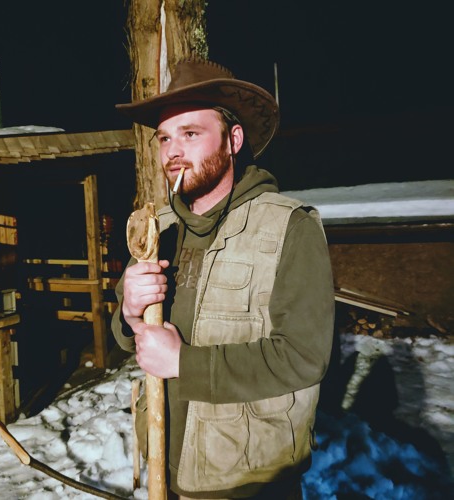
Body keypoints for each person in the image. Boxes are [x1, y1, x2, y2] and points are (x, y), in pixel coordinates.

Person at [112, 58, 334, 499]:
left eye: (191, 134)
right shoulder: (158, 230)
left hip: (248, 481)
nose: (173, 151)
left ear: (233, 140)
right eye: (165, 138)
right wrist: (129, 313)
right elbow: (127, 337)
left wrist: (184, 363)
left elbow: (304, 357)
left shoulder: (288, 227)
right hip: (164, 468)